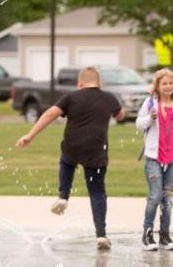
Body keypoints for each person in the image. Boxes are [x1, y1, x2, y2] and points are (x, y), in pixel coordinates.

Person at [15, 66, 126, 250]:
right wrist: (118, 111)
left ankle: (63, 196)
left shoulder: (71, 97)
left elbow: (50, 114)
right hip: (96, 150)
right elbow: (121, 116)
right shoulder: (109, 97)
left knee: (67, 160)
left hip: (74, 145)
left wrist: (30, 135)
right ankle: (101, 235)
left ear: (80, 83)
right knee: (97, 191)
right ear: (99, 83)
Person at [135, 68, 173, 252]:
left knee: (167, 199)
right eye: (164, 83)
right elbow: (139, 124)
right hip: (154, 157)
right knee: (155, 197)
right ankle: (147, 235)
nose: (168, 86)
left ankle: (164, 235)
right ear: (158, 86)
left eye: (171, 83)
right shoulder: (151, 102)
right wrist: (149, 118)